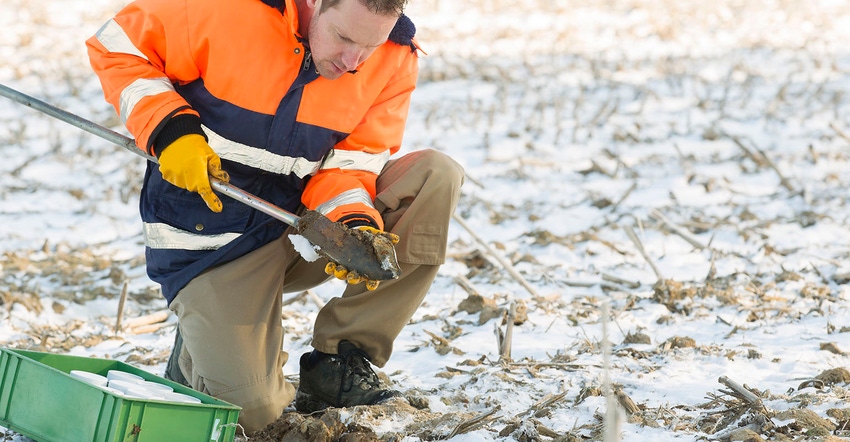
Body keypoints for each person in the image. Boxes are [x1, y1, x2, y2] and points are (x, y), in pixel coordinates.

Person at [86, 0, 464, 433]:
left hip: (298, 227)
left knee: (435, 175)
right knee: (257, 418)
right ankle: (200, 350)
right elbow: (118, 47)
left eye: (369, 46)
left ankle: (339, 363)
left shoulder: (395, 55)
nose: (353, 63)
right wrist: (170, 131)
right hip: (213, 242)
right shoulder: (226, 9)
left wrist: (353, 227)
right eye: (343, 38)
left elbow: (351, 165)